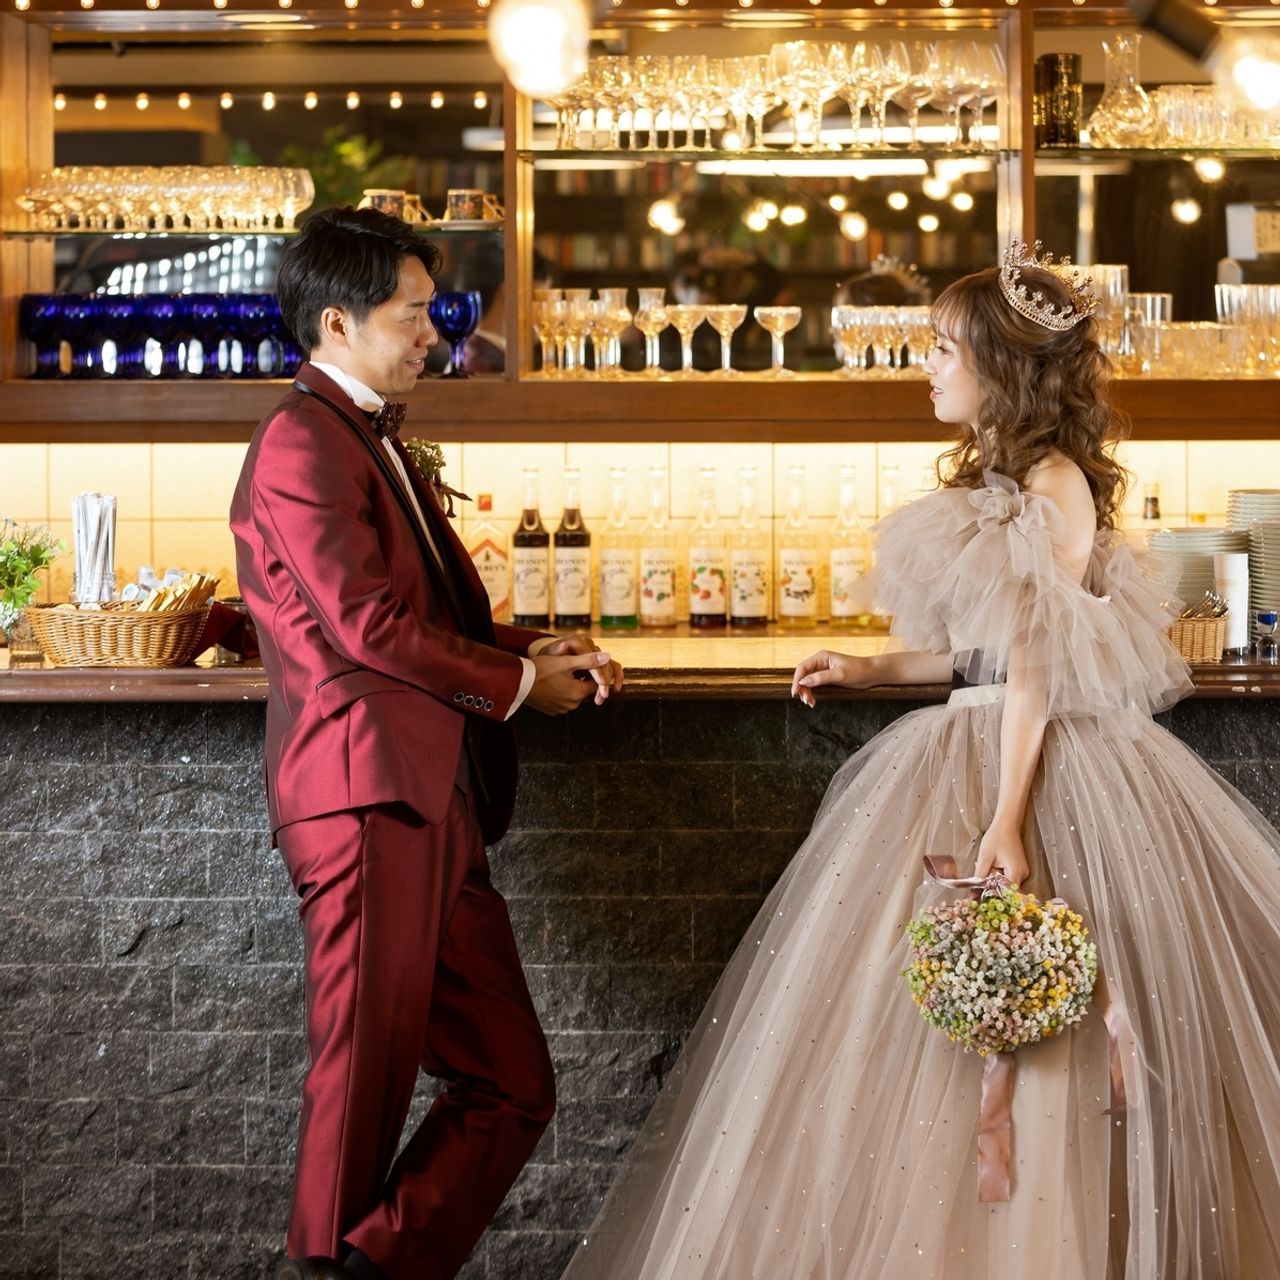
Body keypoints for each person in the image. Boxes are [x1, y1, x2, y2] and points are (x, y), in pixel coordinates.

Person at [559, 241, 1280, 1279]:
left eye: (942, 348)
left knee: (1037, 1019)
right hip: (983, 735)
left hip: (1041, 765)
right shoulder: (1005, 476)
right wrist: (870, 665)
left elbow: (1033, 667)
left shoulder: (1054, 479)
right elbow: (982, 652)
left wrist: (1007, 815)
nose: (925, 366)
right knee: (941, 1023)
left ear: (1001, 364)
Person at [229, 205, 623, 1280]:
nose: (433, 332)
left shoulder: (365, 433)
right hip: (365, 797)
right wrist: (517, 686)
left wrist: (532, 647)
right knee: (360, 1078)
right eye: (412, 313)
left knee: (510, 1080)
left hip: (427, 797)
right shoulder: (300, 439)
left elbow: (420, 612)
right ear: (336, 323)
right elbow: (365, 626)